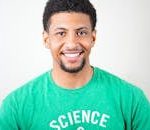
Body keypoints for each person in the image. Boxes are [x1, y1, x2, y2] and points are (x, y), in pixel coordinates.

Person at [0, 0, 150, 129]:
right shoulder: (16, 107)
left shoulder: (132, 99)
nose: (71, 44)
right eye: (61, 33)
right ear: (47, 40)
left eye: (81, 32)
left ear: (93, 37)